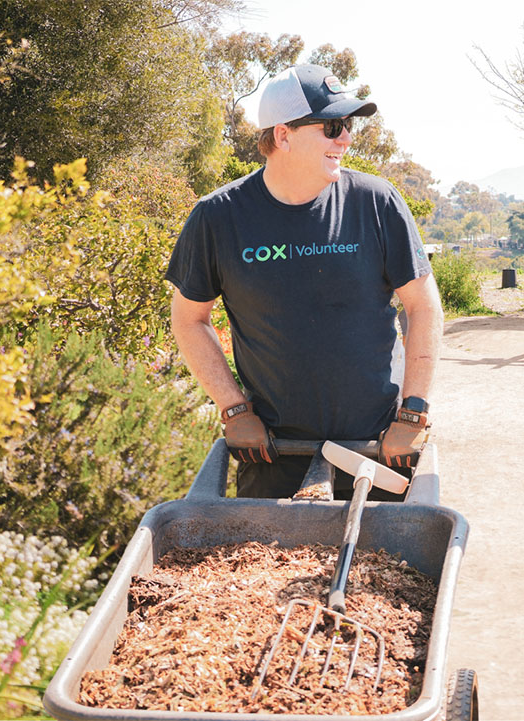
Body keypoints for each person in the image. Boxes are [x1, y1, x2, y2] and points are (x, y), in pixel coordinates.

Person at [166, 64, 443, 499]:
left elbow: (423, 307)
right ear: (283, 135)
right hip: (273, 453)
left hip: (378, 449)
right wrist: (234, 410)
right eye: (332, 127)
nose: (345, 139)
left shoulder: (376, 202)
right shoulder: (218, 217)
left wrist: (412, 415)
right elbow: (189, 319)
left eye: (348, 126)